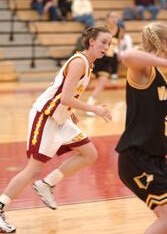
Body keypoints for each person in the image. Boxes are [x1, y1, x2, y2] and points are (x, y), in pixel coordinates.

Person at [0, 26, 112, 233]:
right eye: (104, 42)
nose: (107, 47)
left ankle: (47, 184)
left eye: (109, 43)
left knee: (89, 153)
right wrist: (93, 109)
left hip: (60, 116)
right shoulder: (79, 62)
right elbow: (66, 97)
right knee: (33, 168)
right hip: (46, 116)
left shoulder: (88, 64)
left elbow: (64, 92)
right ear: (92, 42)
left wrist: (69, 110)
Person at [115, 21, 167, 234]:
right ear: (164, 42)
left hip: (154, 157)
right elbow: (127, 56)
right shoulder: (146, 70)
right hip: (137, 157)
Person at [86, 12, 123, 116]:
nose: (114, 19)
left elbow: (118, 42)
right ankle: (71, 99)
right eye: (112, 17)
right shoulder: (102, 29)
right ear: (107, 18)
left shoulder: (119, 30)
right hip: (98, 58)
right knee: (88, 82)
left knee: (103, 81)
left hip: (108, 59)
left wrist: (119, 52)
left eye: (116, 17)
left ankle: (91, 104)